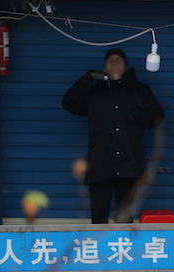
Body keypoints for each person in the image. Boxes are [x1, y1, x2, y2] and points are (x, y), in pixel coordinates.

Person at [62, 47, 165, 223]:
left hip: (129, 165)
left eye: (119, 59)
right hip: (100, 164)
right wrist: (87, 79)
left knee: (124, 217)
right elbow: (69, 103)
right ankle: (100, 250)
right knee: (98, 216)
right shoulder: (95, 93)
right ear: (104, 69)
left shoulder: (139, 91)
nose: (115, 61)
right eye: (111, 60)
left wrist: (138, 115)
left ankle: (123, 250)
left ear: (126, 67)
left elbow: (157, 117)